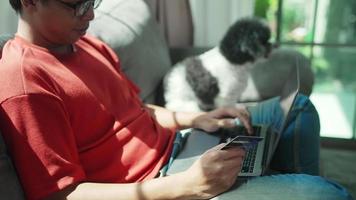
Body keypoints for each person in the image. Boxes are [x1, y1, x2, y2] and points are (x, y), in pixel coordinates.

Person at [0, 0, 352, 200]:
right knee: (324, 194)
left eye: (92, 2)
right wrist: (186, 185)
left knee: (298, 109)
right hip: (161, 184)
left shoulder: (88, 44)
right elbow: (62, 195)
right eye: (76, 5)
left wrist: (195, 118)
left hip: (183, 146)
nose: (89, 14)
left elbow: (138, 111)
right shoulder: (25, 81)